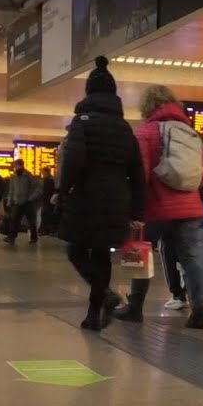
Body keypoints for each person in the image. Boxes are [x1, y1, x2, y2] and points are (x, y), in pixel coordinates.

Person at [57, 56, 145, 331]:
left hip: (87, 195)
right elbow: (138, 171)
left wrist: (62, 189)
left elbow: (73, 159)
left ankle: (106, 295)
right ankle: (94, 314)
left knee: (76, 250)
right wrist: (137, 211)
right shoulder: (124, 128)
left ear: (89, 92)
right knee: (101, 254)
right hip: (118, 198)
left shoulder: (82, 121)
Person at [114, 84, 203, 329]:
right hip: (190, 209)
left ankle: (135, 307)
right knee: (190, 257)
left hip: (157, 207)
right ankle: (201, 310)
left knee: (140, 251)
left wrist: (133, 209)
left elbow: (140, 174)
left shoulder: (146, 132)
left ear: (147, 106)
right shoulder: (191, 133)